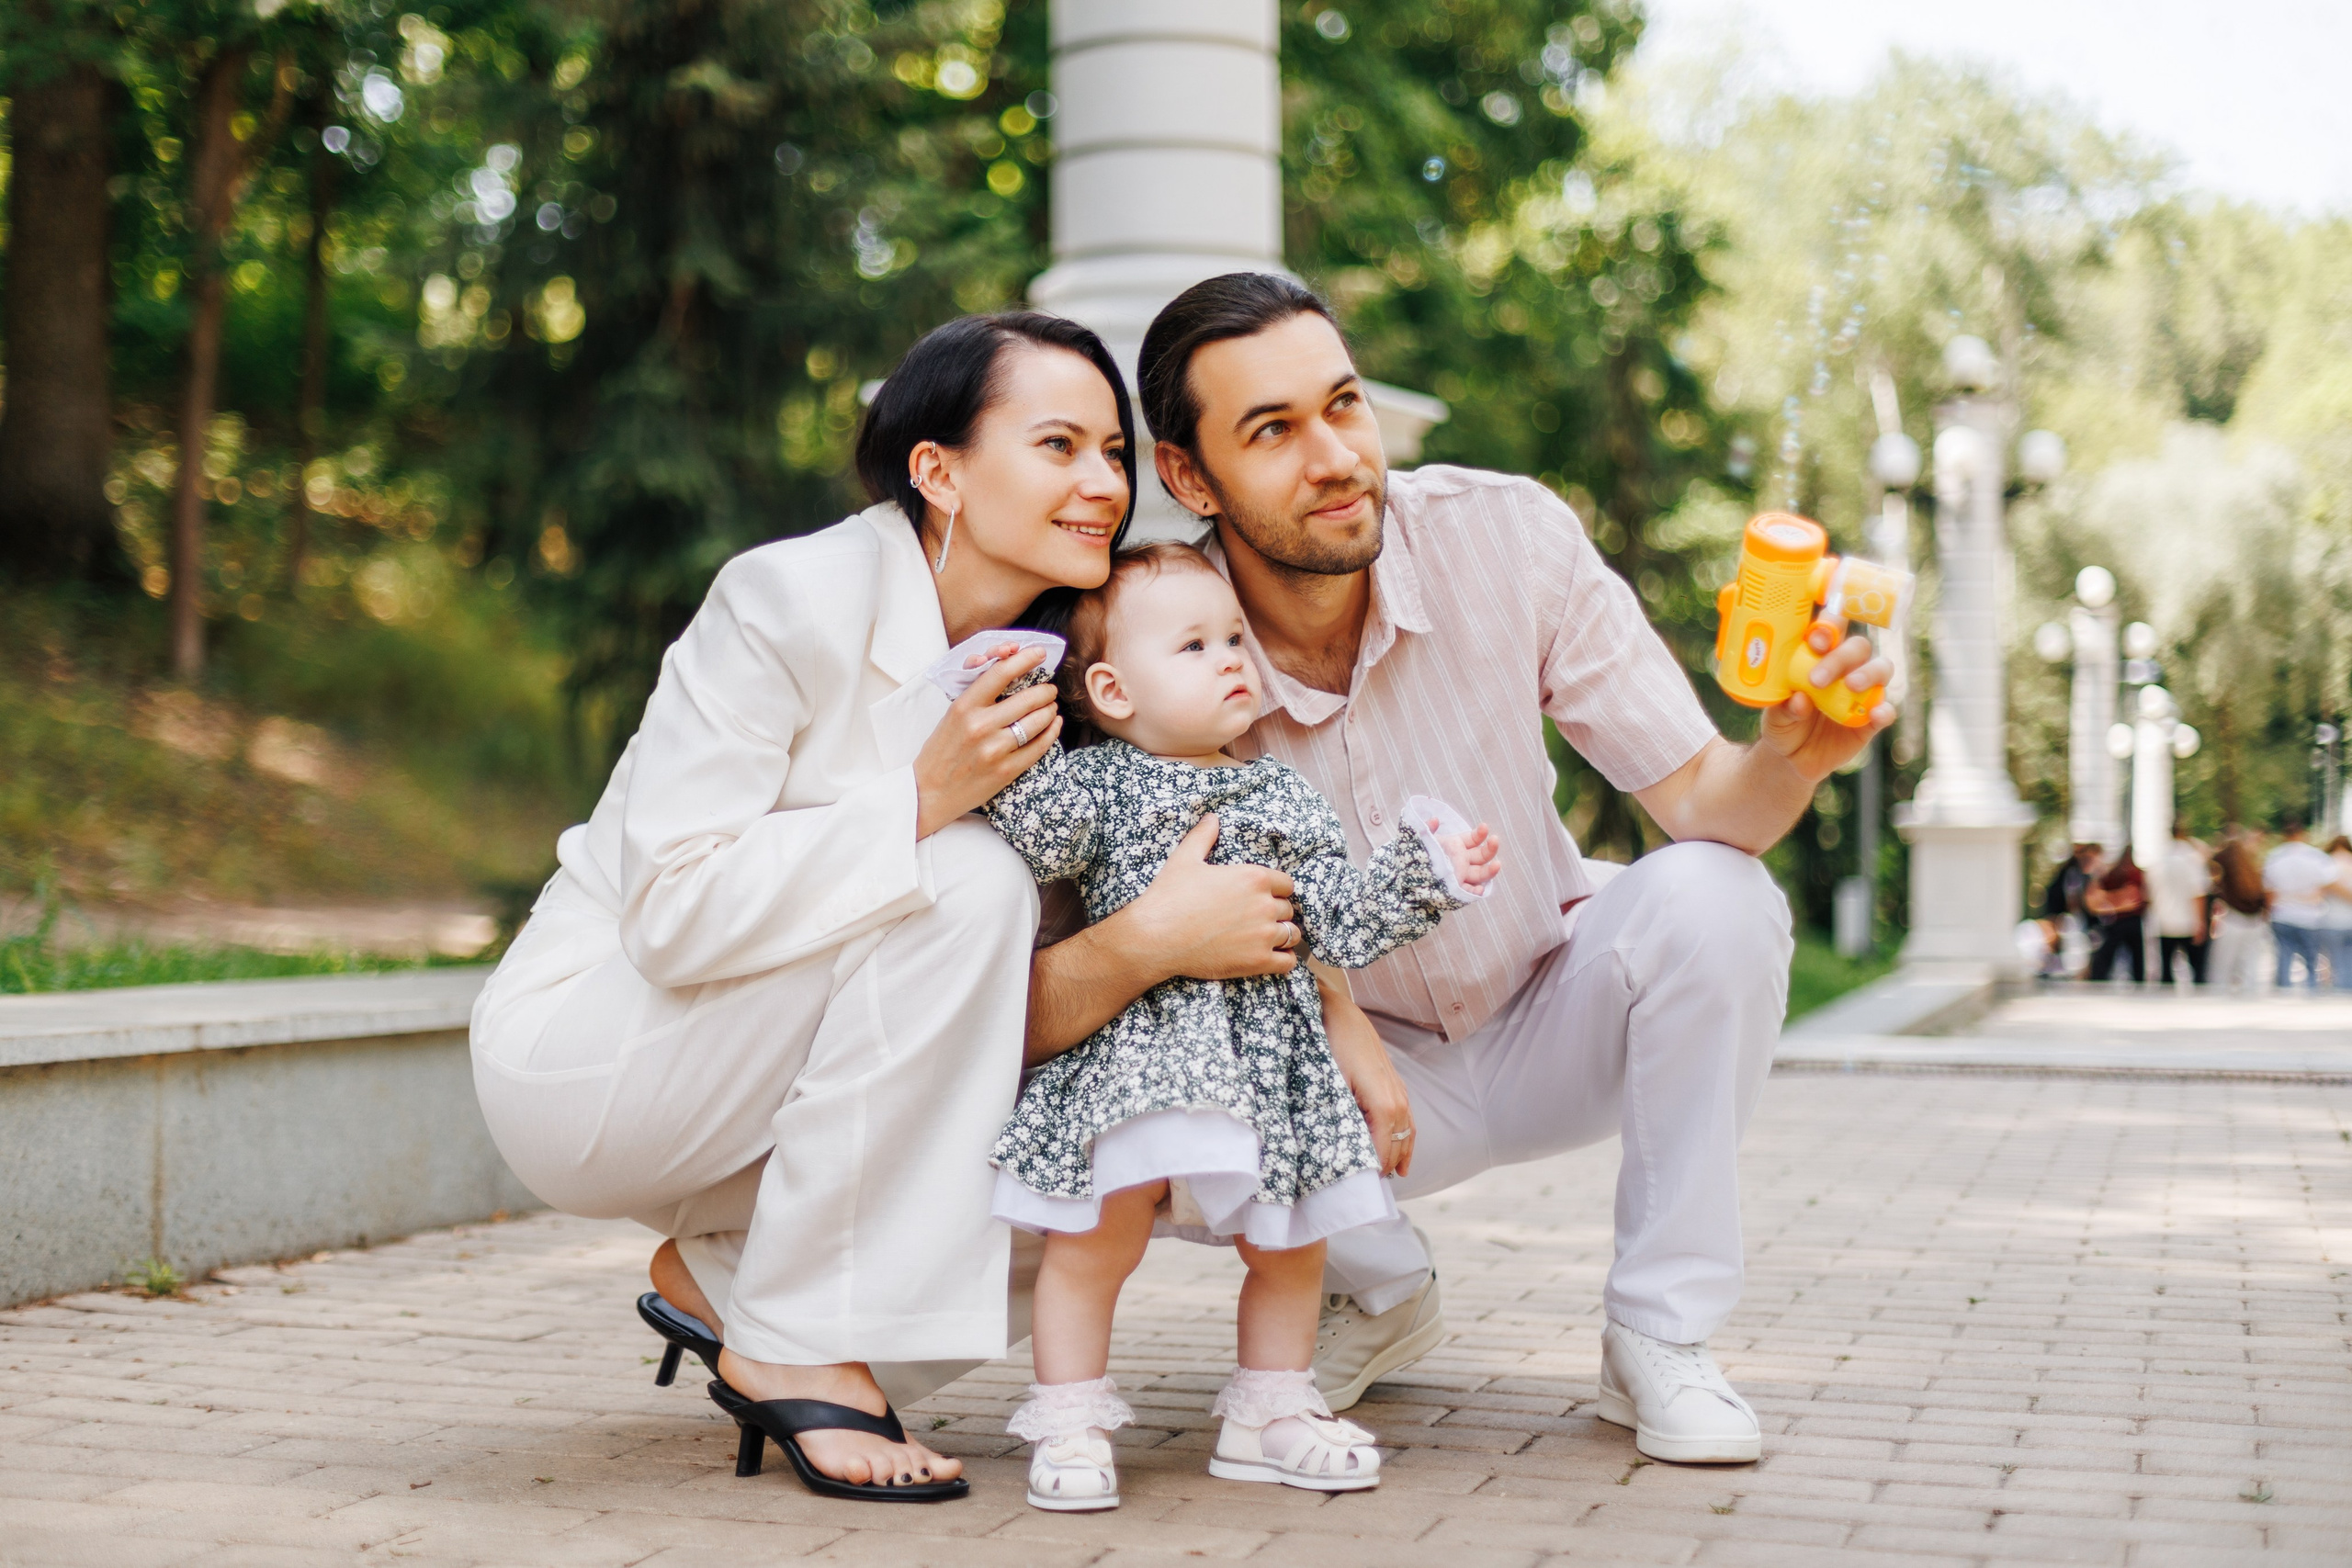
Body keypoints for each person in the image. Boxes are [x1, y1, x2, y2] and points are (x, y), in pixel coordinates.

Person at [1023, 273, 1897, 1466]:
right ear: (1188, 476)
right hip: (1346, 1089)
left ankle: (1660, 1335)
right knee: (1155, 1078)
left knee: (1719, 896)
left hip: (1551, 1008)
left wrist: (1793, 755)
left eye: (1344, 404)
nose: (1335, 455)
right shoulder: (1157, 635)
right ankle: (1374, 1288)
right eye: (1273, 431)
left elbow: (1702, 801)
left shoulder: (1507, 535)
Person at [467, 312, 1140, 1500]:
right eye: (1060, 444)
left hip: (764, 1088)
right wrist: (922, 795)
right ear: (937, 469)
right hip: (595, 1051)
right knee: (967, 874)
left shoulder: (1056, 661)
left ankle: (724, 1276)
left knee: (1089, 1168)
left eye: (1116, 453)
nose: (1103, 483)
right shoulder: (786, 598)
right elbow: (670, 910)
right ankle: (785, 1337)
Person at [979, 544, 1499, 1510]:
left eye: (1232, 638)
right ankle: (1069, 1416)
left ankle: (1271, 1412)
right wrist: (1006, 712)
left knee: (1292, 1243)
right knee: (1096, 1236)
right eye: (1192, 645)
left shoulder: (1283, 796)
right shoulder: (1098, 786)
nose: (1231, 659)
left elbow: (1337, 920)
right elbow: (1029, 826)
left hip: (1271, 1060)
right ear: (1110, 689)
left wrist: (1427, 871)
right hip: (1137, 1049)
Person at [2264, 816, 2334, 990]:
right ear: (2303, 833)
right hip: (2310, 915)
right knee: (2311, 959)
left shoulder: (2275, 856)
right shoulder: (2316, 857)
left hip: (2282, 913)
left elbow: (2269, 890)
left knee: (2284, 957)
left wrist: (2268, 912)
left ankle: (2283, 993)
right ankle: (2312, 993)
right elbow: (2327, 884)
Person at [2208, 829, 2272, 993]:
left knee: (2221, 968)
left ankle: (2218, 1000)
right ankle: (2249, 1002)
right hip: (2254, 921)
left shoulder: (2223, 860)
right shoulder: (2251, 865)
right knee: (2250, 968)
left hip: (2233, 919)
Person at [2150, 821, 2212, 986]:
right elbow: (2198, 893)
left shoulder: (2160, 858)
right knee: (2197, 969)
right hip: (2188, 922)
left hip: (2164, 921)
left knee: (2166, 972)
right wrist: (2201, 922)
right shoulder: (2192, 858)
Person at [2085, 847, 2147, 984]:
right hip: (2121, 921)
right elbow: (2094, 899)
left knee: (2135, 958)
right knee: (2110, 955)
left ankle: (2137, 981)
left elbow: (2136, 897)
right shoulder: (2113, 874)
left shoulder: (2131, 874)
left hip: (2125, 921)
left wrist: (2113, 901)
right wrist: (2121, 900)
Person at [2040, 843, 2100, 979]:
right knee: (2067, 944)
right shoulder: (2074, 872)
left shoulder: (2078, 872)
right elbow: (2072, 898)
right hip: (2066, 916)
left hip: (2067, 915)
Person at [2322, 835, 2352, 989]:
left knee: (2336, 962)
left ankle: (2341, 993)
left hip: (2332, 920)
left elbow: (2322, 889)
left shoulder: (2328, 863)